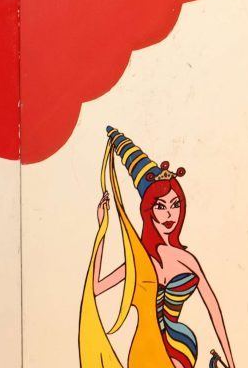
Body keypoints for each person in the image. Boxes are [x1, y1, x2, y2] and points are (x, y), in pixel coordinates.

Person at [86, 128, 238, 368]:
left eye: (175, 205)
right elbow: (96, 288)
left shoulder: (186, 259)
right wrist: (102, 230)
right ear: (149, 211)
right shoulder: (139, 260)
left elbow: (213, 308)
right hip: (145, 349)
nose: (170, 214)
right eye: (160, 206)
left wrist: (231, 362)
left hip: (181, 347)